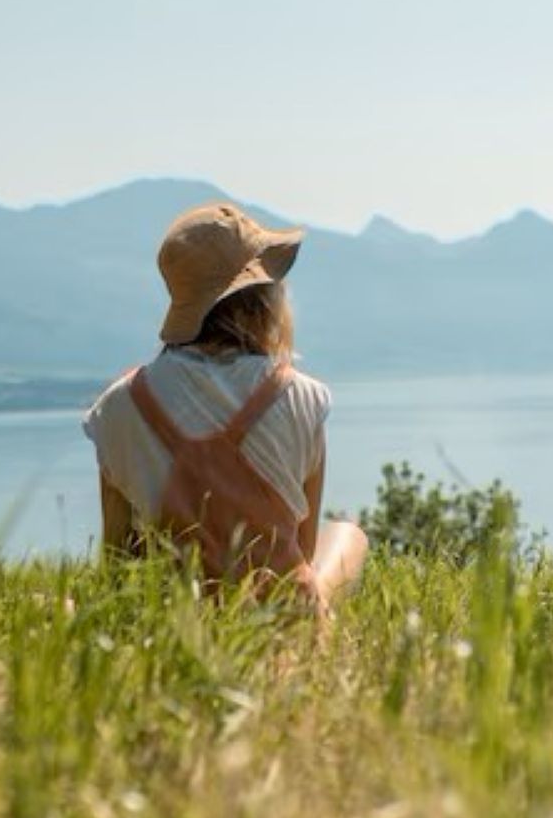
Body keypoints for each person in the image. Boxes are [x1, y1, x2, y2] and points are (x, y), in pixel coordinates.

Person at [81, 202, 367, 612]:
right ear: (264, 296)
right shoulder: (304, 396)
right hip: (283, 622)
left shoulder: (119, 405)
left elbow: (117, 563)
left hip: (175, 625)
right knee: (347, 535)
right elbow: (300, 553)